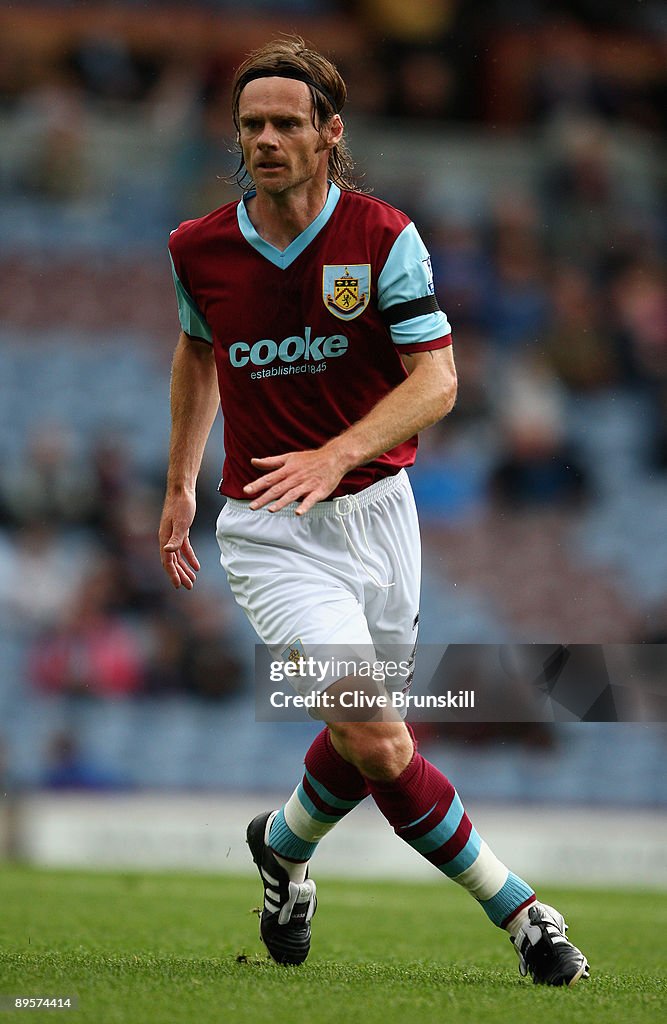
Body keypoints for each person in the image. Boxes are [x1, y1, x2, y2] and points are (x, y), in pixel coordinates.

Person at [159, 36, 589, 987]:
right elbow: (197, 353)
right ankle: (522, 914)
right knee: (381, 731)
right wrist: (179, 482)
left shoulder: (382, 237)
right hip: (272, 527)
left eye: (286, 123)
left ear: (329, 134)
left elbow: (435, 379)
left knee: (367, 738)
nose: (266, 139)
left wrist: (340, 451)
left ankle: (279, 846)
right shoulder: (200, 248)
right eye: (251, 124)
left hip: (378, 512)